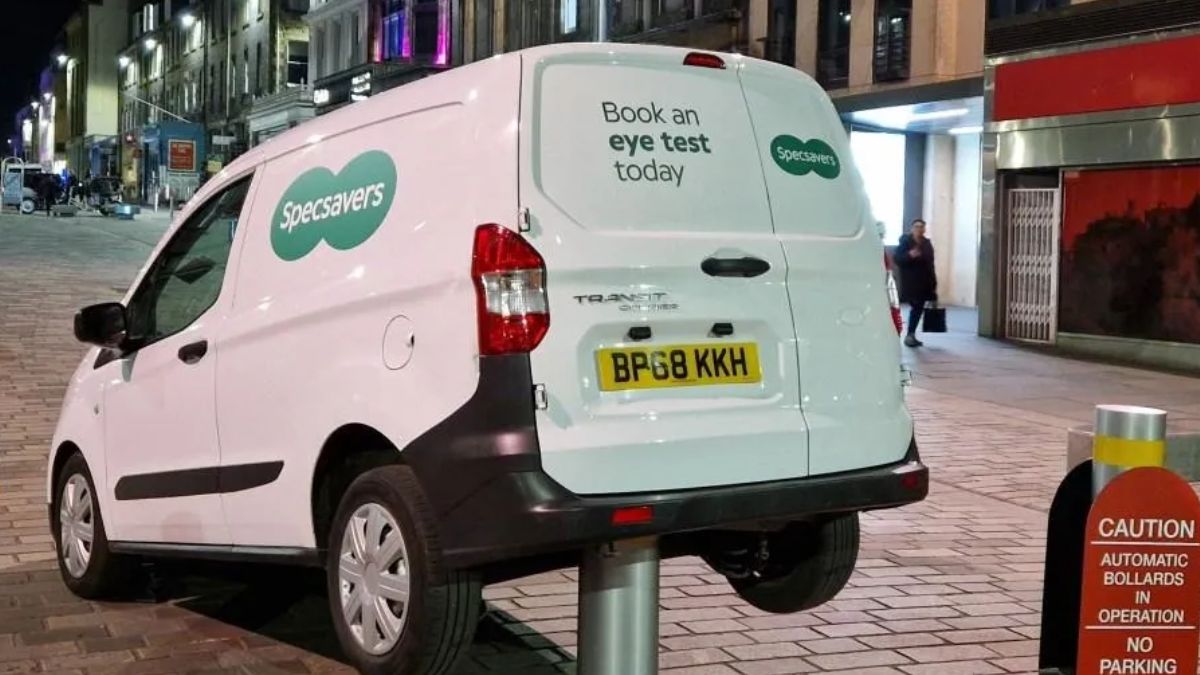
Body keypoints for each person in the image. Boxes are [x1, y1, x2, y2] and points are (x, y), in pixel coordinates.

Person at [893, 218, 937, 347]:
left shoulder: (927, 243)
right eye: (916, 226)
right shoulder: (905, 242)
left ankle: (911, 335)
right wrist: (909, 255)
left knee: (918, 308)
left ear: (924, 229)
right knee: (916, 307)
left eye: (921, 226)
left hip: (925, 281)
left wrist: (933, 284)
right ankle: (909, 335)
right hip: (911, 281)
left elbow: (931, 263)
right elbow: (897, 259)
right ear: (912, 229)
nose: (919, 229)